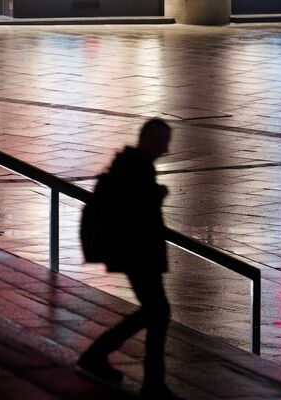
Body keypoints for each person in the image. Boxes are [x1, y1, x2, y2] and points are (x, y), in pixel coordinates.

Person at [77, 118, 180, 399]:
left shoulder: (132, 163)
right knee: (157, 312)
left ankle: (101, 357)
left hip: (137, 253)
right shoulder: (137, 167)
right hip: (139, 254)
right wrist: (157, 194)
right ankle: (149, 383)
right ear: (145, 138)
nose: (164, 146)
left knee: (155, 312)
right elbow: (136, 210)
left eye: (166, 140)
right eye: (160, 139)